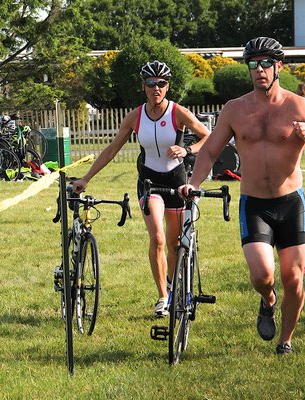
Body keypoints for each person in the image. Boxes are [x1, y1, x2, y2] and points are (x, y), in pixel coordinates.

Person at [178, 37, 305, 356]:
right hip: (255, 205)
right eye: (253, 64)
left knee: (293, 278)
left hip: (291, 203)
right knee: (263, 275)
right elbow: (209, 152)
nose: (259, 69)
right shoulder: (235, 109)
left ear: (278, 66)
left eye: (265, 63)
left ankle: (285, 341)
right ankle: (267, 300)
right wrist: (193, 183)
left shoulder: (298, 106)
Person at [72, 60, 210, 317]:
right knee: (157, 237)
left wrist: (187, 149)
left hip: (177, 181)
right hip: (149, 183)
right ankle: (163, 296)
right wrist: (86, 178)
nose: (156, 88)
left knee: (175, 243)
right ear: (143, 87)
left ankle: (173, 284)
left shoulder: (177, 112)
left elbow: (207, 136)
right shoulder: (135, 116)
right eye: (150, 84)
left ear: (167, 87)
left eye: (161, 84)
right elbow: (112, 150)